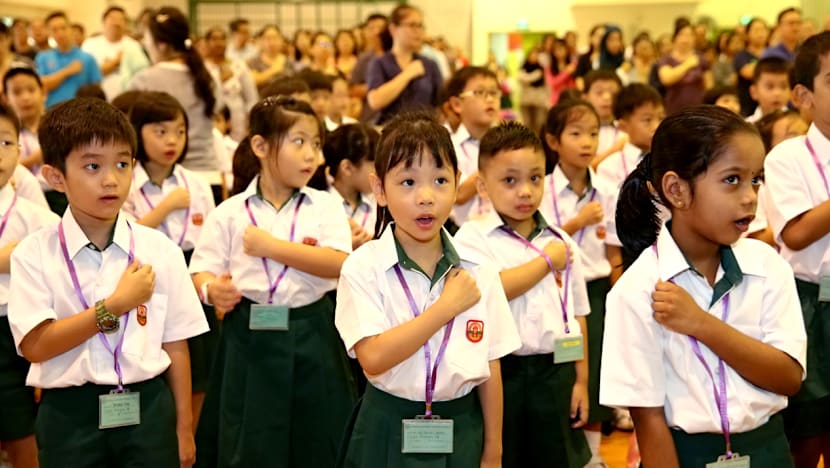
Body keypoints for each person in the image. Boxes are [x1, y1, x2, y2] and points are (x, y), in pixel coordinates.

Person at [8, 97, 209, 468]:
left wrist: (184, 428)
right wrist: (113, 306)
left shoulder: (159, 249)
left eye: (122, 163)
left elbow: (176, 343)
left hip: (148, 408)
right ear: (55, 177)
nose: (111, 179)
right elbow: (35, 345)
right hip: (70, 414)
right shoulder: (34, 253)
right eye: (92, 166)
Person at [601, 104, 806, 468]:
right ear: (677, 190)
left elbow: (788, 377)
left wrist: (701, 324)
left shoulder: (768, 266)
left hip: (769, 449)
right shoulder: (637, 290)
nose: (750, 197)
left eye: (756, 179)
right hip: (686, 456)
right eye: (732, 179)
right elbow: (648, 419)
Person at [334, 110, 521, 468]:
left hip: (463, 427)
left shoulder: (479, 269)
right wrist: (445, 308)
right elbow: (373, 356)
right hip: (387, 425)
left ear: (458, 183)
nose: (426, 196)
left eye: (440, 180)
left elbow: (491, 364)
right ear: (379, 189)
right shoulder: (362, 266)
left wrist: (494, 449)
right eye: (408, 182)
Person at [191, 96, 356, 467]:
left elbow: (339, 262)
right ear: (261, 146)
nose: (312, 155)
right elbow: (200, 270)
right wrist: (211, 289)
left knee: (318, 436)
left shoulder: (325, 206)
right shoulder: (230, 212)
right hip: (249, 331)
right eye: (298, 142)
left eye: (316, 144)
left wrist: (272, 247)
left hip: (313, 328)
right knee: (249, 438)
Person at [451, 120, 590, 467]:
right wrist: (546, 263)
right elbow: (487, 291)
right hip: (500, 374)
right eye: (510, 181)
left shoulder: (560, 240)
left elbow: (578, 314)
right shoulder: (471, 238)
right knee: (502, 456)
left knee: (556, 458)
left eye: (535, 178)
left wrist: (581, 380)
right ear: (483, 186)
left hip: (556, 370)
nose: (525, 191)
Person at [536, 99, 622, 465]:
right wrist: (577, 222)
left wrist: (618, 292)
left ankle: (594, 456)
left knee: (597, 372)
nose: (587, 142)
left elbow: (614, 251)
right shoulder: (540, 188)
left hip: (596, 291)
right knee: (563, 372)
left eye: (593, 134)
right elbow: (539, 243)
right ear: (553, 141)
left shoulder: (607, 189)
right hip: (553, 290)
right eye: (576, 134)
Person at [763, 32, 830, 468]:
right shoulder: (787, 157)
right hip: (809, 303)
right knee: (807, 431)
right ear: (804, 96)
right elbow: (797, 234)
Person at [0, 101, 59, 468]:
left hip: (15, 331)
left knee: (24, 435)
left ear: (20, 149)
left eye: (5, 142)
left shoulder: (38, 219)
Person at [130, 7, 220, 175]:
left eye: (147, 40)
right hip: (208, 172)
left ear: (162, 45)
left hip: (165, 177)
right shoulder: (209, 77)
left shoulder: (144, 80)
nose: (145, 45)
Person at [366, 5, 442, 125]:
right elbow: (375, 101)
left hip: (424, 131)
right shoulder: (379, 63)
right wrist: (408, 74)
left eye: (420, 26)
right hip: (389, 129)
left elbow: (439, 105)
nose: (418, 31)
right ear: (393, 29)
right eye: (412, 25)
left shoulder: (430, 64)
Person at [445, 66, 500, 228]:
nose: (489, 99)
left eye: (494, 93)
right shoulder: (448, 147)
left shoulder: (506, 144)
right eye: (479, 92)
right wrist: (497, 163)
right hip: (459, 231)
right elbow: (458, 195)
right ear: (457, 104)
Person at [322, 123, 379, 250]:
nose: (382, 173)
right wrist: (345, 247)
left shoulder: (379, 202)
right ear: (347, 168)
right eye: (375, 166)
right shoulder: (320, 205)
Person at [82, 6, 150, 101]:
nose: (117, 23)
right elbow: (84, 74)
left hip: (127, 101)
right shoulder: (90, 44)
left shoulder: (133, 45)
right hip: (96, 101)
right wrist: (115, 62)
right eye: (113, 18)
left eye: (121, 19)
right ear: (104, 22)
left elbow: (143, 73)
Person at [202, 27, 258, 142]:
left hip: (238, 120)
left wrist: (250, 123)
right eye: (214, 39)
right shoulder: (201, 68)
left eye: (222, 39)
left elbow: (251, 97)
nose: (219, 43)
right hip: (211, 120)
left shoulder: (238, 65)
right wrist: (219, 80)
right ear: (206, 43)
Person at [35, 11, 102, 108]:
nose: (60, 33)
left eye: (63, 28)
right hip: (52, 111)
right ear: (49, 33)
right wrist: (67, 71)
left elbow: (97, 90)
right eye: (54, 30)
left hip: (80, 111)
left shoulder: (88, 58)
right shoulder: (43, 57)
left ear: (71, 29)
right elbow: (41, 85)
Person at [657, 18, 713, 115]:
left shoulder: (701, 59)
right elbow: (666, 79)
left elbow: (709, 86)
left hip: (698, 110)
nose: (685, 39)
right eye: (682, 34)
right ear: (675, 37)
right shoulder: (666, 59)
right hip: (673, 110)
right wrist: (688, 64)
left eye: (690, 35)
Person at [581, 69, 625, 167]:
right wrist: (617, 148)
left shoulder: (628, 130)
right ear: (585, 98)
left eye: (613, 93)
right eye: (599, 92)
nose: (607, 97)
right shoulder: (577, 132)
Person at [350, 13, 388, 124]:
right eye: (371, 28)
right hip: (370, 118)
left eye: (380, 28)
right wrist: (376, 87)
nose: (376, 32)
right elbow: (352, 90)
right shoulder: (364, 59)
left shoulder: (397, 56)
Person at [734, 18, 770, 116]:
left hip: (770, 103)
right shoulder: (741, 55)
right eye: (756, 30)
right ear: (747, 34)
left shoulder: (774, 52)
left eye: (763, 30)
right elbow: (747, 72)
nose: (760, 34)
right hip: (747, 106)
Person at [746, 57, 791, 123]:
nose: (777, 93)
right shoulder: (747, 125)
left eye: (783, 87)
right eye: (770, 87)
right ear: (754, 92)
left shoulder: (798, 125)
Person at [246, 25, 288, 95]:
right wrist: (273, 70)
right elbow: (253, 81)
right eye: (268, 38)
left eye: (275, 38)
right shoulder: (254, 62)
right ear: (261, 41)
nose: (272, 42)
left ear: (281, 40)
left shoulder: (289, 62)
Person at [517, 46, 549, 132]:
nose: (533, 56)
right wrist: (530, 78)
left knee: (539, 123)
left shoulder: (541, 69)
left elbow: (544, 83)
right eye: (532, 54)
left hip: (539, 101)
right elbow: (520, 78)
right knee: (527, 124)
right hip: (525, 100)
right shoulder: (523, 67)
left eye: (536, 55)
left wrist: (526, 80)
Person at [545, 38, 577, 106]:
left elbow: (576, 83)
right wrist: (566, 72)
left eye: (561, 48)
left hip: (572, 99)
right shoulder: (549, 68)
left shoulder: (574, 64)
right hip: (556, 101)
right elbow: (552, 83)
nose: (559, 52)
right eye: (555, 49)